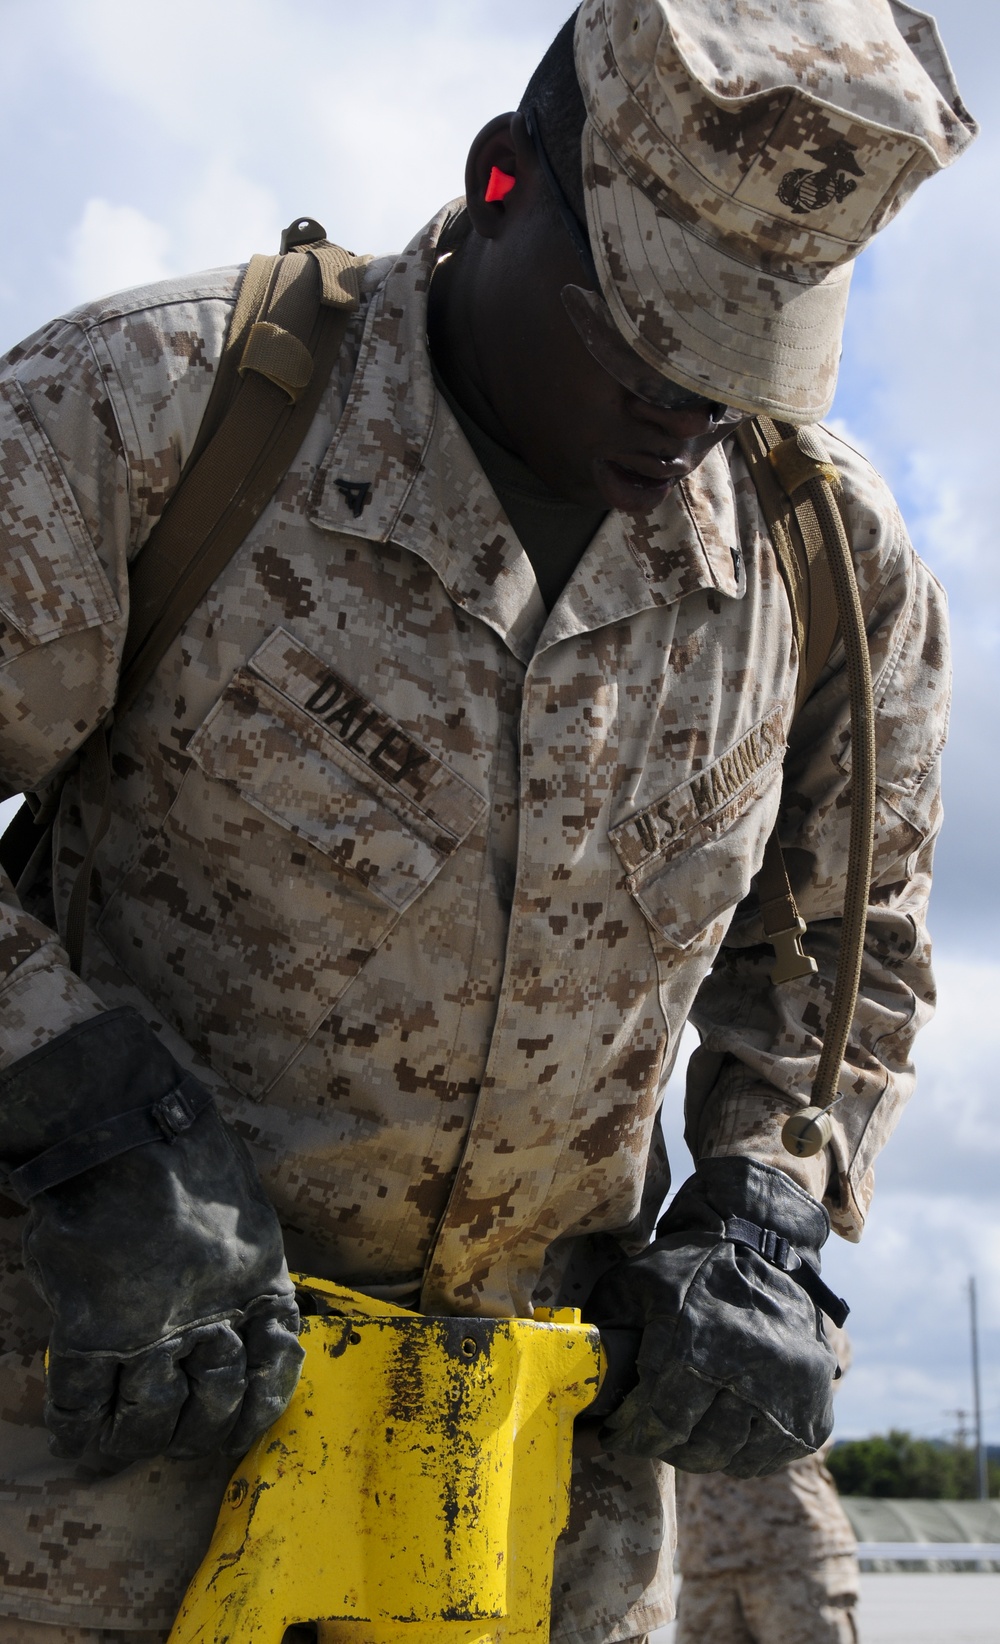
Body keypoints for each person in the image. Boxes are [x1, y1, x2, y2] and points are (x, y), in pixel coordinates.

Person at [0, 3, 975, 1642]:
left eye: (751, 360)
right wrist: (75, 1093)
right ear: (506, 186)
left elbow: (844, 948)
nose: (691, 409)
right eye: (647, 335)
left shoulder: (832, 573)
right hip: (99, 1455)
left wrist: (763, 1209)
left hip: (528, 1518)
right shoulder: (158, 414)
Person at [674, 1326, 859, 1644]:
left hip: (792, 1556)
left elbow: (817, 1371)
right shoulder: (684, 1290)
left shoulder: (801, 1303)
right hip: (707, 1559)